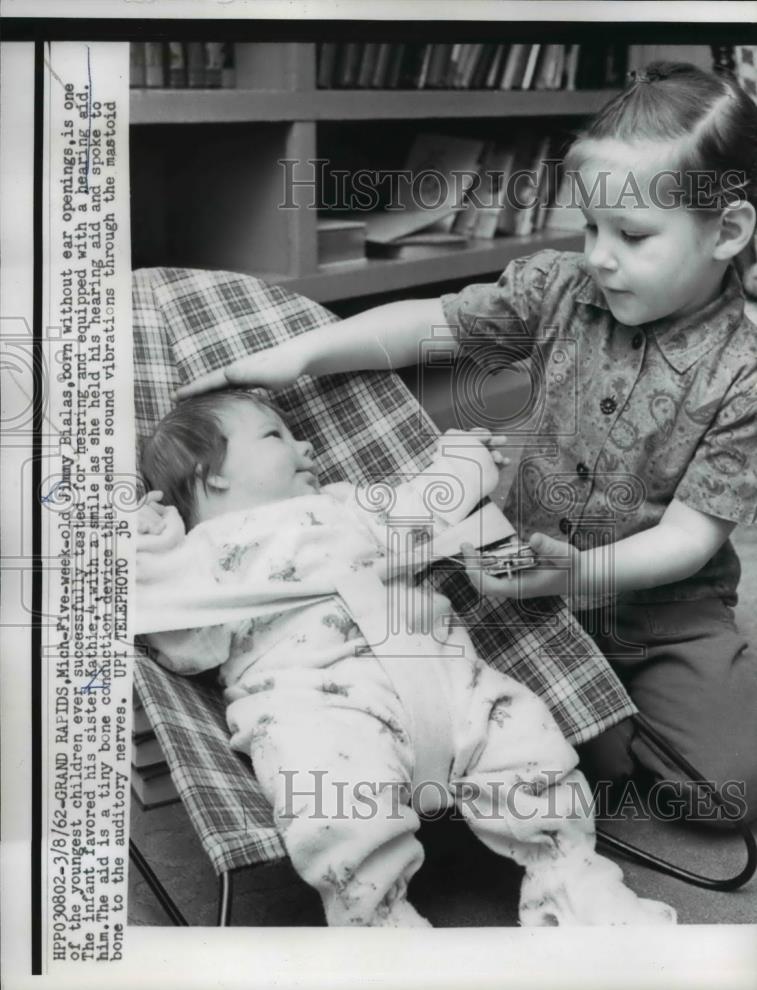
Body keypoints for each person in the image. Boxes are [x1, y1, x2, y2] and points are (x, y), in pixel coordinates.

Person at [175, 63, 757, 823]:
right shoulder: (558, 287)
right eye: (589, 227)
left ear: (729, 232)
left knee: (719, 795)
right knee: (497, 741)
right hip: (520, 586)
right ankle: (615, 729)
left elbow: (687, 536)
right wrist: (302, 353)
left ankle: (688, 700)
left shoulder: (742, 373)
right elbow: (428, 323)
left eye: (633, 235)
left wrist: (581, 574)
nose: (599, 256)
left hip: (665, 611)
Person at [135, 389, 675, 927]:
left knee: (528, 740)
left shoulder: (345, 504)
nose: (305, 446)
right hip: (319, 701)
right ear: (212, 475)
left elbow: (427, 504)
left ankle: (574, 879)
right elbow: (185, 647)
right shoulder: (197, 556)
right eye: (276, 435)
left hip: (451, 681)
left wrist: (464, 457)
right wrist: (146, 549)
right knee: (328, 793)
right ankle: (377, 922)